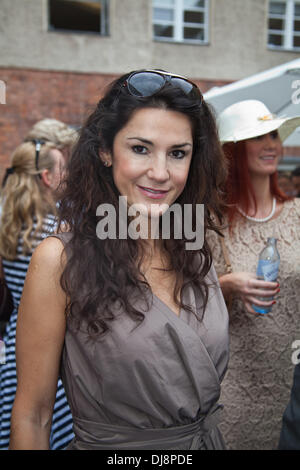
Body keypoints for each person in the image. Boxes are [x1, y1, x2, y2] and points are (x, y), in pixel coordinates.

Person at [9, 69, 229, 450]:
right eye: (140, 148)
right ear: (105, 151)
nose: (160, 173)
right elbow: (34, 414)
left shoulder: (195, 244)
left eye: (178, 153)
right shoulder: (60, 259)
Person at [206, 99, 300, 450]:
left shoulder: (297, 213)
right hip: (235, 384)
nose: (271, 144)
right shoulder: (210, 223)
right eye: (258, 136)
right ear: (232, 152)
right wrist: (227, 284)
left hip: (292, 380)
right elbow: (179, 297)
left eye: (273, 134)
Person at [0, 119, 77, 450]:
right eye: (64, 169)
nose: (69, 176)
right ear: (47, 177)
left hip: (17, 337)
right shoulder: (54, 232)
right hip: (48, 338)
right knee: (48, 421)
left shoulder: (8, 222)